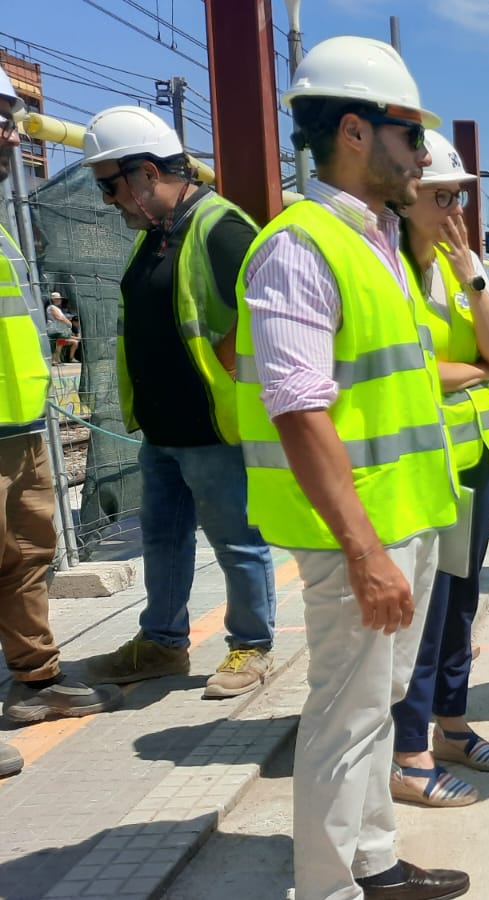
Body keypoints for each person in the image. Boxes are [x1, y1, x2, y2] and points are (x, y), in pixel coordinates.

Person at [236, 35, 467, 900]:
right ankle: (328, 886)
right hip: (356, 535)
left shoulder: (370, 240)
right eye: (409, 135)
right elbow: (300, 412)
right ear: (356, 133)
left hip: (400, 516)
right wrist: (365, 550)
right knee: (344, 720)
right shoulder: (300, 247)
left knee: (372, 714)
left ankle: (374, 861)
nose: (421, 155)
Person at [77, 105, 279, 700]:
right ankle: (162, 642)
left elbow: (268, 305)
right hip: (162, 429)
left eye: (110, 185)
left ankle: (252, 646)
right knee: (163, 539)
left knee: (237, 539)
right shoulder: (154, 234)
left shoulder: (220, 227)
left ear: (145, 173)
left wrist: (224, 357)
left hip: (211, 428)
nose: (109, 200)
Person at [0, 67, 121, 776]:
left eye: (13, 116)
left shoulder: (4, 230)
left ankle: (35, 685)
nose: (11, 131)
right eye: (1, 117)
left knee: (27, 557)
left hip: (19, 426)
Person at [390, 129, 489, 808]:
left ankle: (452, 726)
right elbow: (413, 373)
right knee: (424, 615)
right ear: (407, 198)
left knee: (460, 604)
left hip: (477, 463)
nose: (453, 212)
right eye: (441, 197)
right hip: (421, 464)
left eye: (458, 197)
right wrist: (477, 371)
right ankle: (409, 748)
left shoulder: (458, 268)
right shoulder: (391, 271)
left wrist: (474, 279)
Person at [44, 292, 77, 363]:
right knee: (57, 343)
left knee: (61, 342)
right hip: (54, 329)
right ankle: (55, 359)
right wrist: (69, 323)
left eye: (59, 299)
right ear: (53, 300)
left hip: (59, 329)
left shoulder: (57, 308)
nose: (59, 300)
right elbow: (58, 318)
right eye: (57, 299)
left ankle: (57, 359)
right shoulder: (51, 307)